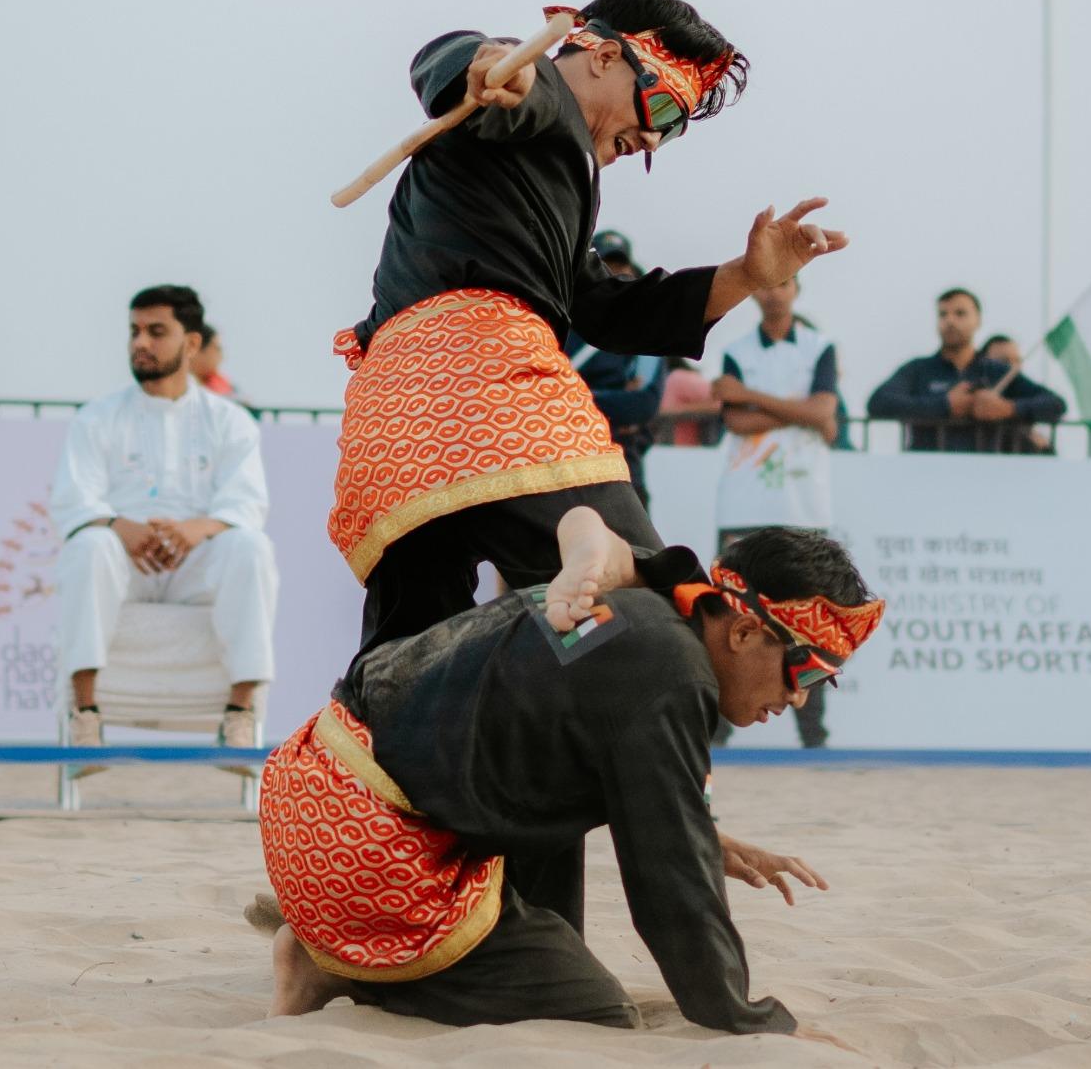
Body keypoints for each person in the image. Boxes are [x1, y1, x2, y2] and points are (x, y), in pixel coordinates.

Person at [332, 0, 848, 651]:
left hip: (394, 420)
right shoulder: (540, 100)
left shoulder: (549, 181)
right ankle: (601, 581)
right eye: (662, 105)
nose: (654, 137)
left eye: (673, 128)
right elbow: (474, 65)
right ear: (603, 57)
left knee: (411, 665)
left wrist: (745, 276)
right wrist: (489, 67)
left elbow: (608, 311)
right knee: (649, 623)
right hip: (483, 387)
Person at [259, 505, 883, 1037]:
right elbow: (671, 885)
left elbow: (594, 776)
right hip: (366, 846)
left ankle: (340, 929)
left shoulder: (651, 605)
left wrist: (701, 832)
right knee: (597, 1015)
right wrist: (740, 1016)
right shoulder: (673, 673)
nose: (799, 697)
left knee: (561, 820)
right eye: (805, 671)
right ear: (745, 632)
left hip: (314, 785)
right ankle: (338, 964)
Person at [50, 285, 279, 760]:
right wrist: (121, 527)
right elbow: (75, 500)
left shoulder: (230, 421)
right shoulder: (97, 417)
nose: (140, 343)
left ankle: (239, 715)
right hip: (124, 564)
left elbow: (247, 503)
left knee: (251, 547)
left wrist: (195, 529)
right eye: (134, 331)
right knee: (88, 546)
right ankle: (85, 715)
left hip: (196, 564)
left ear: (191, 343)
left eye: (156, 332)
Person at [712, 273, 839, 747]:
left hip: (803, 505)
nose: (773, 291)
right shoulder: (737, 350)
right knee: (729, 618)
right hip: (744, 501)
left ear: (796, 291)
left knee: (811, 621)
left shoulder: (820, 346)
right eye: (767, 284)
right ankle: (718, 730)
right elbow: (735, 421)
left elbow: (823, 412)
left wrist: (751, 396)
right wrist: (798, 412)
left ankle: (813, 735)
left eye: (784, 283)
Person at [866, 288, 1065, 452]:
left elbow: (1055, 404)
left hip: (986, 477)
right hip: (926, 476)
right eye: (943, 314)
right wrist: (945, 405)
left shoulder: (997, 372)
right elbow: (878, 403)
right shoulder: (918, 369)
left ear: (978, 320)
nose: (950, 321)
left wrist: (1007, 408)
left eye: (960, 313)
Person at [563, 229, 667, 507]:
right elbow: (542, 394)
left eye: (621, 267)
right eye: (604, 267)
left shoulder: (647, 335)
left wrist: (574, 395)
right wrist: (615, 401)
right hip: (567, 469)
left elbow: (643, 404)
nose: (615, 275)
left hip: (624, 470)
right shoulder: (559, 328)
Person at [191, 323, 242, 400]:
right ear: (196, 348)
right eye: (217, 349)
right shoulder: (184, 387)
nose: (222, 356)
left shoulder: (225, 387)